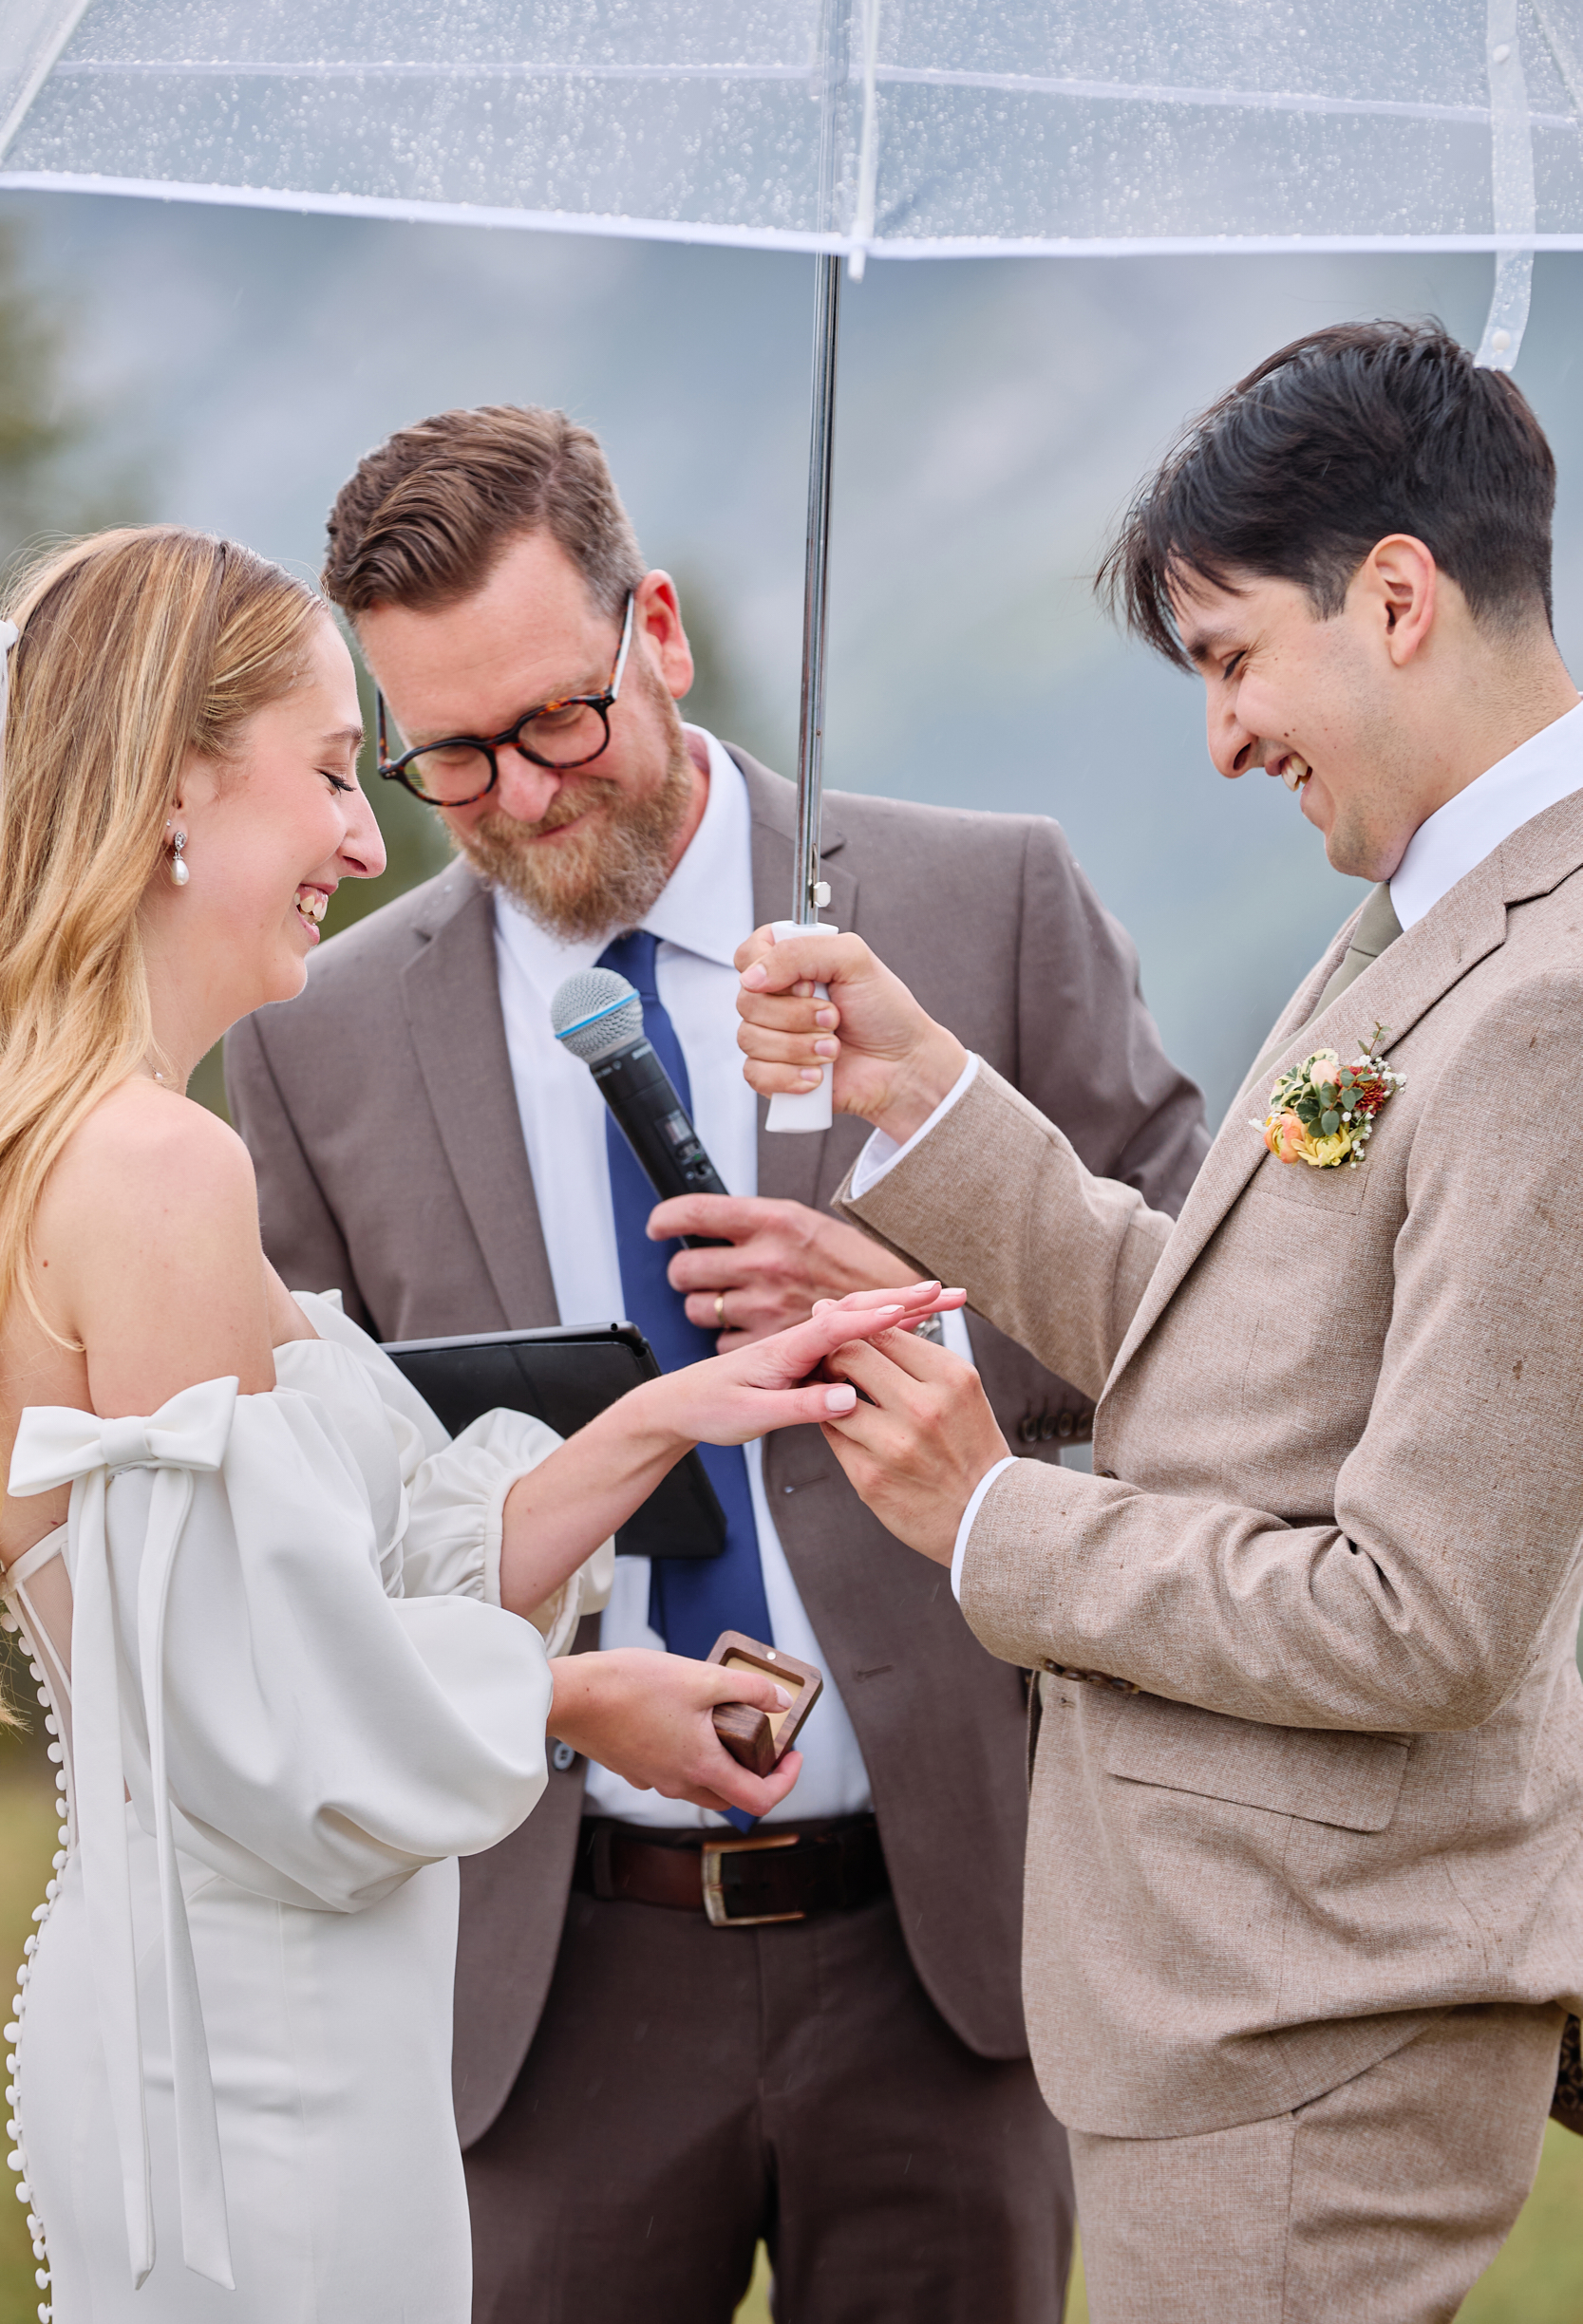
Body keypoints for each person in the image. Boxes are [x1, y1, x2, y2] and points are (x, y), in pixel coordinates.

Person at [223, 404, 1210, 2323]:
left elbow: (1210, 1333)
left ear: (654, 627)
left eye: (556, 722)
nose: (515, 795)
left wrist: (921, 1299)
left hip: (949, 1948)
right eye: (449, 758)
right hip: (545, 1969)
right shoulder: (314, 1046)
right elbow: (301, 1516)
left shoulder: (984, 904)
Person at [0, 523, 948, 2322]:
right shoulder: (157, 1169)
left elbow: (328, 1586)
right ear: (181, 788)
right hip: (261, 2051)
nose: (370, 846)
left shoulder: (73, 1141)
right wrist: (583, 1698)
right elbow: (298, 1733)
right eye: (337, 775)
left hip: (214, 1995)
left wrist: (661, 1415)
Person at [736, 318, 1583, 2323]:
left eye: (1228, 660)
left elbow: (1426, 1614)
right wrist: (915, 1081)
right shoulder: (1429, 919)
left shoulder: (1547, 1002)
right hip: (1252, 2015)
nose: (1220, 738)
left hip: (1317, 2031)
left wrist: (992, 1521)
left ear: (1394, 598)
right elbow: (1228, 1342)